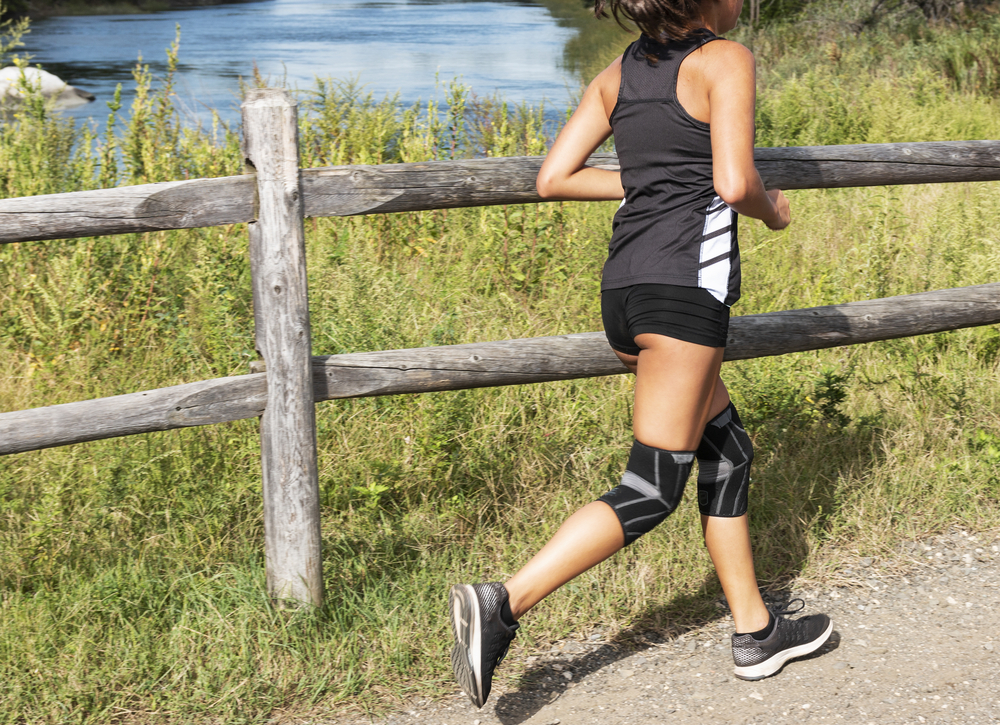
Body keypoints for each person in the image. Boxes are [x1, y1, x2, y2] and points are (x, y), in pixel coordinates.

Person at [449, 0, 832, 709]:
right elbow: (734, 183)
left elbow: (554, 177)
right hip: (684, 291)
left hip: (625, 292)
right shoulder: (726, 59)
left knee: (729, 449)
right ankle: (501, 602)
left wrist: (648, 181)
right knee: (651, 485)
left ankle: (756, 631)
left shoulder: (619, 73)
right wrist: (773, 211)